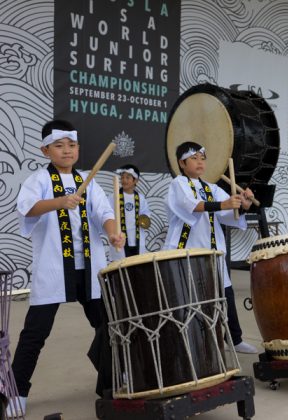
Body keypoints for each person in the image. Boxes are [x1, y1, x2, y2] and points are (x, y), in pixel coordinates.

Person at [9, 120, 125, 417]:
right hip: (53, 269)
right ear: (45, 150)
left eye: (71, 145)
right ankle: (16, 391)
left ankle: (117, 383)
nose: (67, 151)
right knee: (36, 332)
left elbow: (104, 213)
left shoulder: (89, 179)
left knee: (108, 329)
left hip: (90, 269)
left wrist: (113, 232)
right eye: (59, 146)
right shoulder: (39, 180)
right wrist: (60, 201)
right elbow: (27, 207)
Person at [164, 141, 258, 354]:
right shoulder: (178, 184)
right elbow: (192, 206)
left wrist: (242, 205)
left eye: (202, 158)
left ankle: (234, 339)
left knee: (225, 294)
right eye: (194, 158)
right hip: (186, 251)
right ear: (181, 162)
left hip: (213, 251)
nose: (199, 162)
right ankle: (191, 341)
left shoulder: (211, 188)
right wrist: (224, 204)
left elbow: (228, 214)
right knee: (190, 297)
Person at [108, 164, 151, 260]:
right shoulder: (113, 197)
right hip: (120, 240)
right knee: (121, 267)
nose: (124, 180)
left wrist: (144, 220)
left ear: (135, 180)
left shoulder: (141, 198)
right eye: (122, 177)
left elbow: (146, 215)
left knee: (137, 266)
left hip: (136, 240)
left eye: (128, 177)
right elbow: (108, 215)